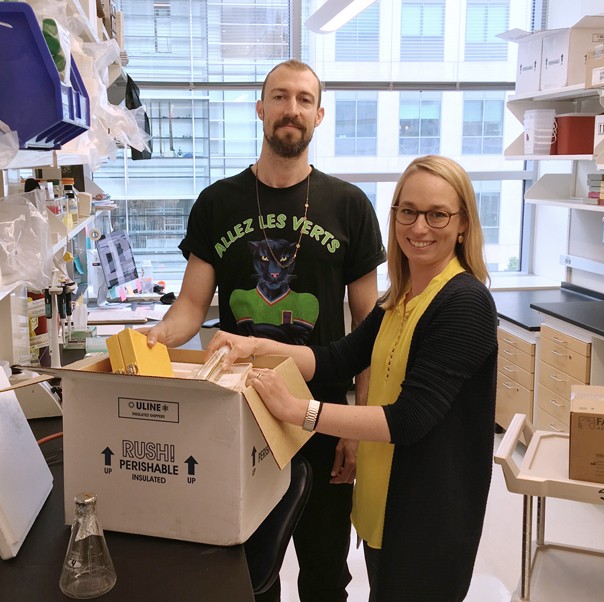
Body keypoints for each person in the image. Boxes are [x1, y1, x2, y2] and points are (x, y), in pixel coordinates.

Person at [145, 59, 386, 601]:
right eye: (280, 97)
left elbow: (368, 328)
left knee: (326, 574)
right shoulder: (217, 203)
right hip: (239, 415)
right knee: (250, 574)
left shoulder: (349, 206)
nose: (291, 110)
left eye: (303, 100)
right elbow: (189, 306)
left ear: (319, 115)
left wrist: (356, 424)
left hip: (322, 415)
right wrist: (157, 337)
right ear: (260, 109)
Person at [206, 154, 498, 601]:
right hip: (385, 508)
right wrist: (253, 347)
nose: (419, 227)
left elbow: (409, 418)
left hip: (429, 518)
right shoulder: (399, 299)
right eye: (408, 211)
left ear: (462, 224)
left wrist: (299, 412)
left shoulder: (463, 303)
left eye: (437, 214)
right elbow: (335, 358)